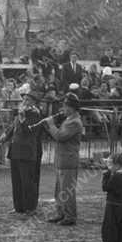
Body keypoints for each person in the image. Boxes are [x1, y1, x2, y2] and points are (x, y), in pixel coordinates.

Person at [41, 92, 84, 225]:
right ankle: (61, 213)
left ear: (71, 107)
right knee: (59, 190)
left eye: (65, 106)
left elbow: (60, 136)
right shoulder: (69, 119)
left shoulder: (75, 122)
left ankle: (70, 216)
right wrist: (49, 127)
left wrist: (51, 125)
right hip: (62, 158)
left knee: (67, 191)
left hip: (68, 160)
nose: (63, 109)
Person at [1, 89, 43, 215]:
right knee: (17, 181)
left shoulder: (35, 115)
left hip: (27, 152)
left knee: (27, 181)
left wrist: (23, 119)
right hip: (15, 151)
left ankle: (30, 207)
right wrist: (5, 135)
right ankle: (18, 206)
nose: (25, 101)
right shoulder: (21, 114)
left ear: (34, 103)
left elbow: (29, 131)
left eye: (28, 100)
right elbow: (14, 127)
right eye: (24, 99)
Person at [100, 150, 122, 242]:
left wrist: (106, 175)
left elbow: (105, 187)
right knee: (120, 226)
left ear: (117, 165)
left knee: (110, 226)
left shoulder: (116, 176)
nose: (108, 166)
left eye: (110, 164)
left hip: (113, 205)